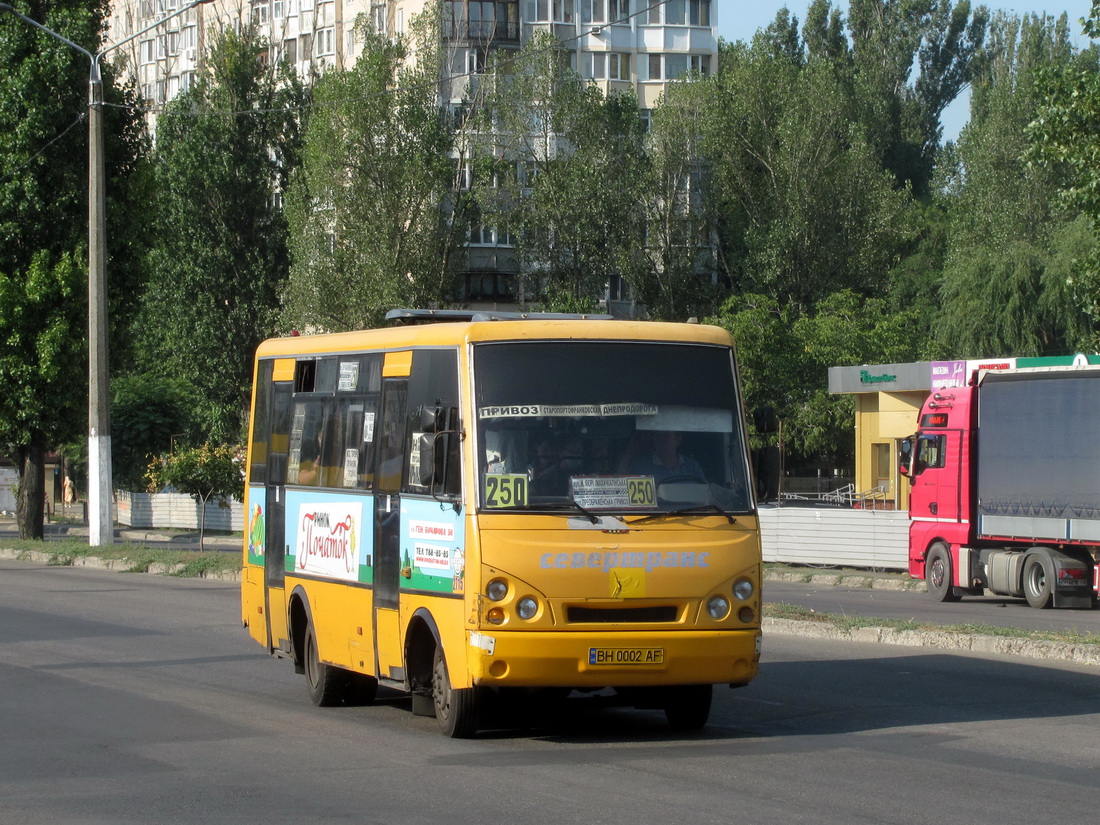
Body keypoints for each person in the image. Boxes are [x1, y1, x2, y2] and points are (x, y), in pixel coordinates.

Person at [629, 431, 704, 483]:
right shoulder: (641, 466)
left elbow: (704, 493)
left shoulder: (692, 467)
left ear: (678, 440)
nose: (660, 439)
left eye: (665, 435)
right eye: (657, 435)